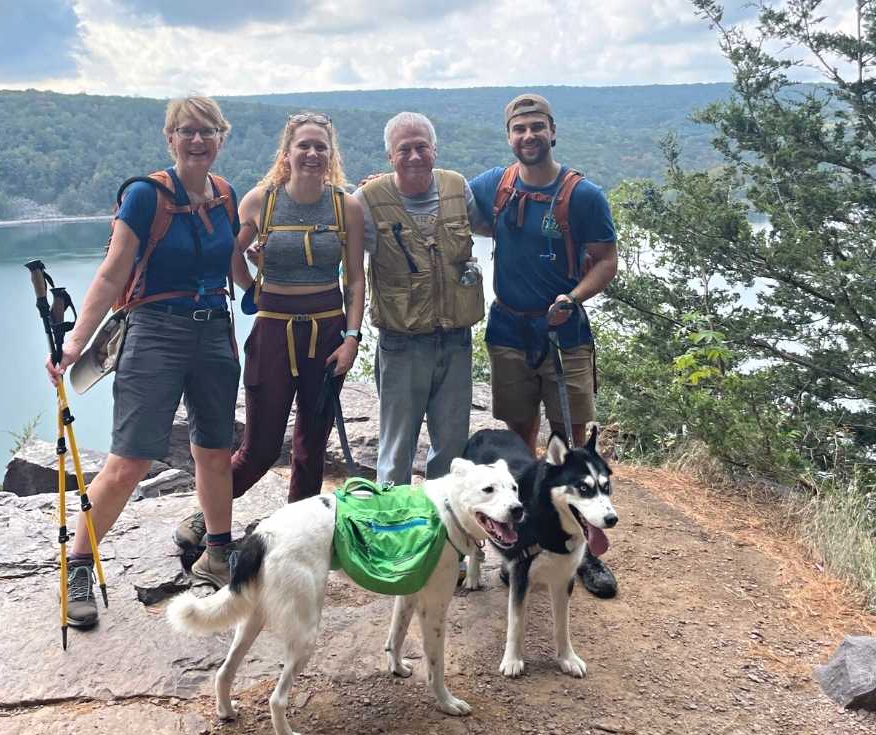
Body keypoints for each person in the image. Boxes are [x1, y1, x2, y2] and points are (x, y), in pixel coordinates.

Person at [47, 96, 243, 623]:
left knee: (214, 449)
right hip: (155, 333)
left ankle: (219, 553)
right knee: (130, 459)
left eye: (207, 131)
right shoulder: (144, 196)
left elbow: (238, 266)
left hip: (216, 331)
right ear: (170, 138)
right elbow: (113, 274)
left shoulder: (225, 196)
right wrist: (74, 344)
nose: (197, 140)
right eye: (186, 131)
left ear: (221, 137)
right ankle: (79, 565)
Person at [468, 93, 619, 597]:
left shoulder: (583, 195)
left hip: (563, 331)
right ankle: (526, 540)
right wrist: (379, 192)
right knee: (519, 441)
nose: (528, 137)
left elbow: (605, 261)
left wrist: (573, 297)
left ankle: (581, 554)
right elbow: (443, 204)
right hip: (508, 328)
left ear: (553, 132)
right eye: (519, 129)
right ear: (509, 136)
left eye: (537, 128)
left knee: (572, 441)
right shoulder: (495, 185)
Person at [227, 113, 366, 502]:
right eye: (303, 145)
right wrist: (252, 286)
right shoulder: (262, 201)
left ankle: (300, 531)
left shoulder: (345, 207)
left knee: (311, 449)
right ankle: (208, 522)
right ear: (286, 153)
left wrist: (352, 339)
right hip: (272, 333)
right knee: (260, 448)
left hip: (327, 334)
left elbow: (355, 277)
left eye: (320, 146)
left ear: (330, 153)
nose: (311, 153)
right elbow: (228, 253)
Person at [353, 112, 486, 487]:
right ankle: (392, 529)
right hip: (402, 345)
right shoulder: (367, 201)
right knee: (396, 450)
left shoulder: (458, 188)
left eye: (421, 147)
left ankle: (442, 531)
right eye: (404, 149)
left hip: (456, 342)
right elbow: (341, 260)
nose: (414, 157)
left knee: (451, 447)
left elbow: (489, 229)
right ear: (389, 157)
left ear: (435, 150)